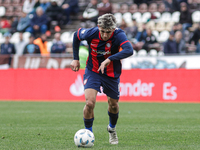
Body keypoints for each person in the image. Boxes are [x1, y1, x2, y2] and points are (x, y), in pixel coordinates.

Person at [70, 13, 133, 144]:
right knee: (89, 103)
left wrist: (110, 59)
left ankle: (112, 129)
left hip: (111, 73)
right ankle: (89, 134)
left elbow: (129, 50)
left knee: (114, 105)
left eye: (108, 32)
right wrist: (75, 58)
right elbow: (76, 35)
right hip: (93, 70)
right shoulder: (90, 33)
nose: (105, 35)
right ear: (98, 27)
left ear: (113, 29)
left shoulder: (118, 34)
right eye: (102, 31)